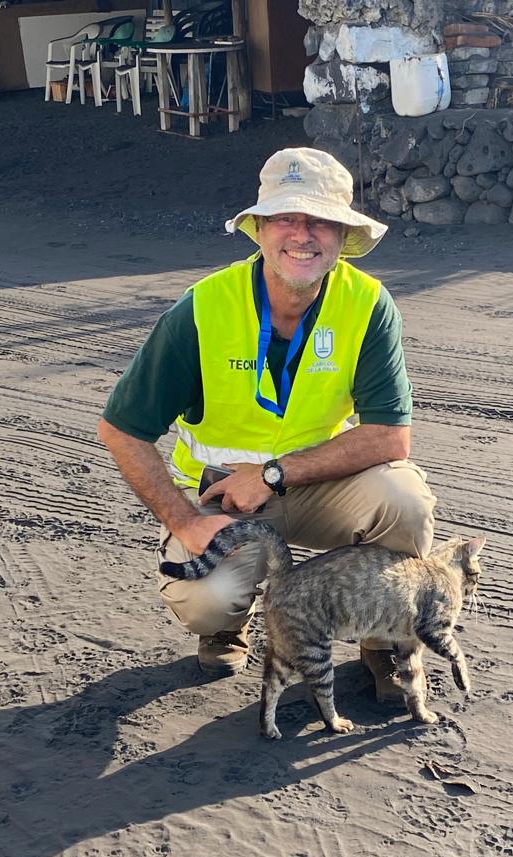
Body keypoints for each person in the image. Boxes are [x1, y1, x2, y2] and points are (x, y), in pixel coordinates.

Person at [97, 147, 438, 700]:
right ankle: (228, 626)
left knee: (405, 503)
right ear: (258, 229)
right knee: (206, 599)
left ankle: (385, 641)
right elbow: (122, 429)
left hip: (319, 485)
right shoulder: (201, 309)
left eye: (320, 221)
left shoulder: (368, 303)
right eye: (286, 218)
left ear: (342, 235)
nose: (302, 235)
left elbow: (389, 436)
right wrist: (185, 522)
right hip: (223, 494)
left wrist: (274, 474)